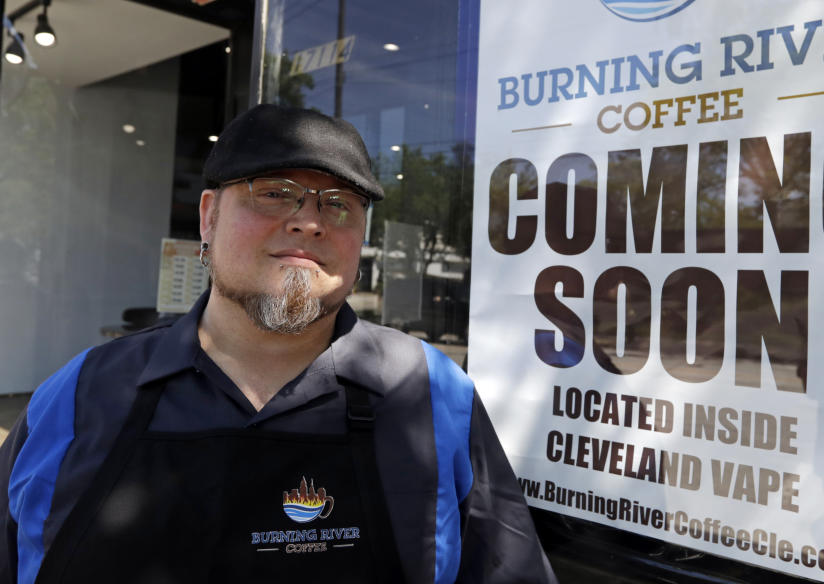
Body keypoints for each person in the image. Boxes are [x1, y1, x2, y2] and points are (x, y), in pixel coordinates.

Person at [0, 104, 557, 584]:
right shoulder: (81, 394)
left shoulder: (431, 394)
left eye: (339, 203)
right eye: (274, 193)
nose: (309, 222)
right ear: (209, 217)